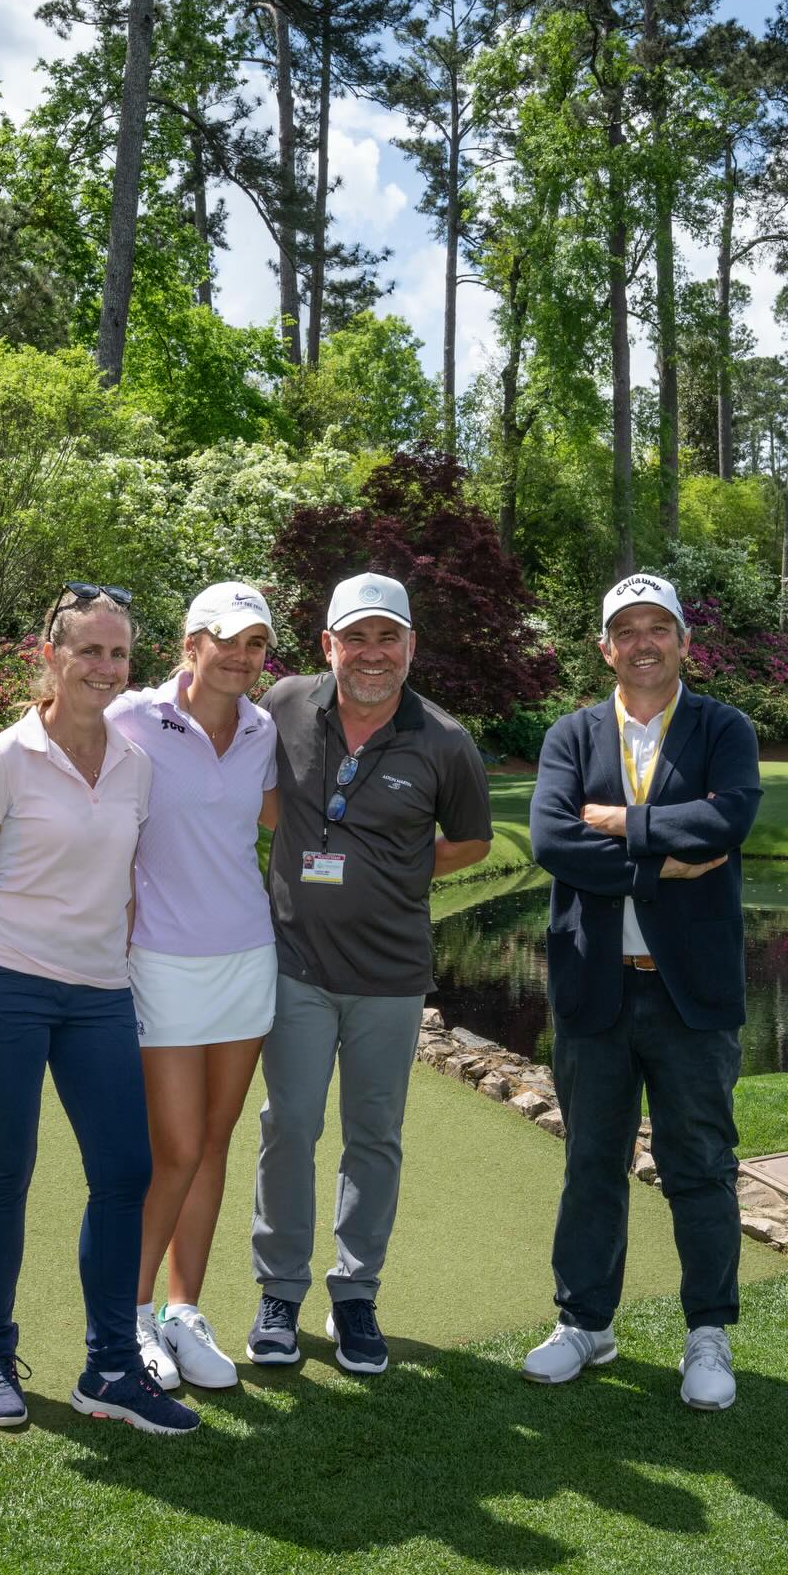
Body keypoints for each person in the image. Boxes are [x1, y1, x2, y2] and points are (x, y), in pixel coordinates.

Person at [0, 583, 280, 1394]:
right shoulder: (135, 712)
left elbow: (281, 813)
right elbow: (58, 725)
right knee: (172, 1150)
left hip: (246, 952)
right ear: (190, 644)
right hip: (157, 957)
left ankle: (183, 1309)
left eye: (255, 644)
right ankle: (129, 1316)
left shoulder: (264, 727)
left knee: (213, 1143)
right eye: (225, 639)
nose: (241, 656)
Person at [0, 585, 199, 1436]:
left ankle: (111, 1368)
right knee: (5, 1170)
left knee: (125, 1171)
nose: (105, 667)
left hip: (99, 994)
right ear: (50, 656)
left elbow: (127, 886)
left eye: (118, 653)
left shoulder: (137, 764)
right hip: (3, 985)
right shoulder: (2, 758)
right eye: (89, 650)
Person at [524, 571, 762, 1412]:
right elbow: (552, 839)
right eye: (626, 630)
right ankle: (585, 1322)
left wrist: (623, 822)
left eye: (657, 626)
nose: (642, 642)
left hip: (690, 993)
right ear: (605, 649)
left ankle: (709, 1332)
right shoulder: (572, 734)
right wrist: (663, 860)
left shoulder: (723, 727)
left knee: (700, 1165)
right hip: (596, 988)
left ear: (684, 641)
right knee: (593, 1162)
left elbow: (728, 820)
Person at [247, 572, 493, 1376]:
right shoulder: (284, 703)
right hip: (296, 962)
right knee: (289, 1123)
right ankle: (279, 1291)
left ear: (411, 646)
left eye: (388, 636)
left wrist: (396, 866)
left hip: (390, 976)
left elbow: (472, 840)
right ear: (328, 644)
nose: (372, 652)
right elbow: (240, 775)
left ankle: (355, 1293)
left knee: (374, 1136)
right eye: (356, 636)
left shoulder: (444, 739)